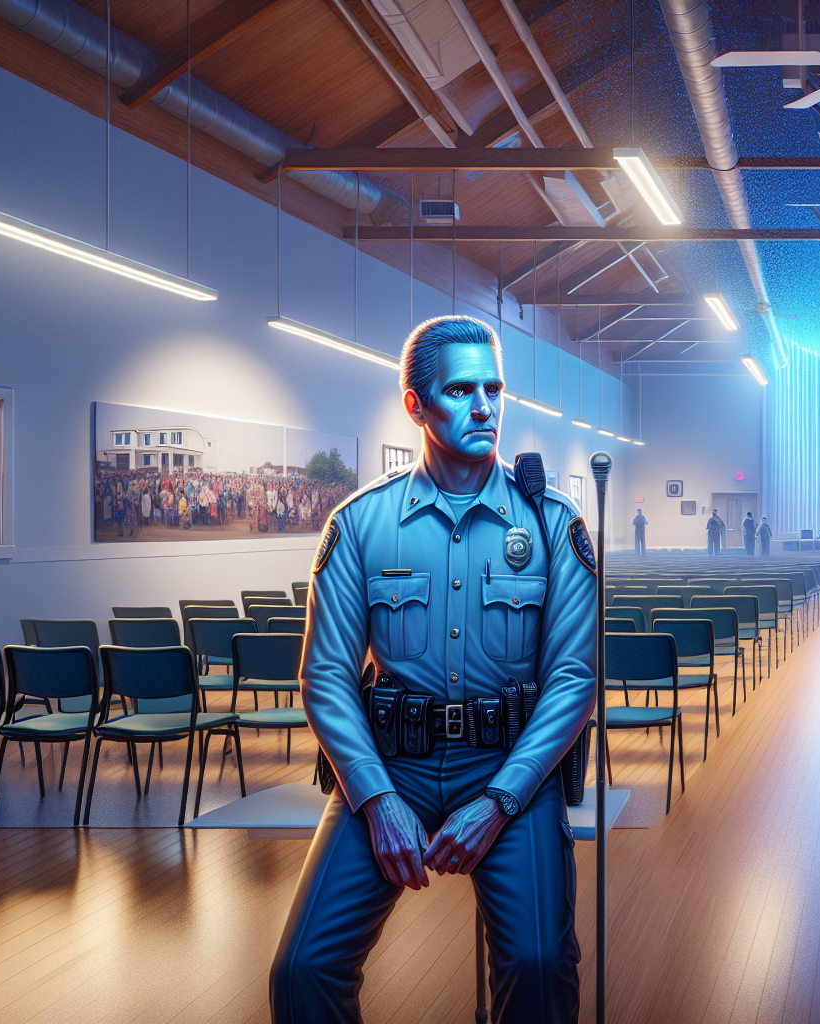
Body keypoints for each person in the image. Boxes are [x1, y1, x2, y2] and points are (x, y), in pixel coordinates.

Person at [271, 315, 594, 1024]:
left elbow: (573, 679)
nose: (484, 406)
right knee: (301, 972)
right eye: (459, 389)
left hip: (512, 770)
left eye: (494, 387)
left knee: (540, 967)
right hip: (392, 770)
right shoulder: (357, 524)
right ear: (415, 404)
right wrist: (376, 798)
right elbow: (324, 674)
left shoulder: (552, 525)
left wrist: (502, 799)